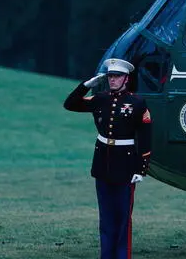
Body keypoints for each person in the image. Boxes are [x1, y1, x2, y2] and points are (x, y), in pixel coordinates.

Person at [63, 58, 152, 259]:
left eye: (117, 76)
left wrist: (141, 169)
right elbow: (69, 104)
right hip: (103, 164)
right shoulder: (100, 99)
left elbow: (145, 138)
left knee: (122, 219)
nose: (113, 80)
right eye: (110, 76)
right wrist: (86, 86)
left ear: (126, 79)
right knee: (106, 218)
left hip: (126, 166)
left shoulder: (137, 103)